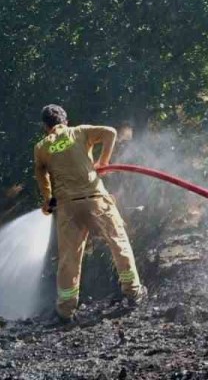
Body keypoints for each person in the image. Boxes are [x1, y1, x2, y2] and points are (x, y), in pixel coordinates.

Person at [33, 104, 145, 324]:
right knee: (118, 242)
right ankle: (133, 293)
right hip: (96, 199)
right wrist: (103, 162)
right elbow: (110, 133)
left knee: (69, 259)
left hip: (67, 206)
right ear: (65, 121)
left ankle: (65, 310)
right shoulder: (79, 132)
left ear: (45, 126)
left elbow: (41, 174)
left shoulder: (42, 147)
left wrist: (48, 200)